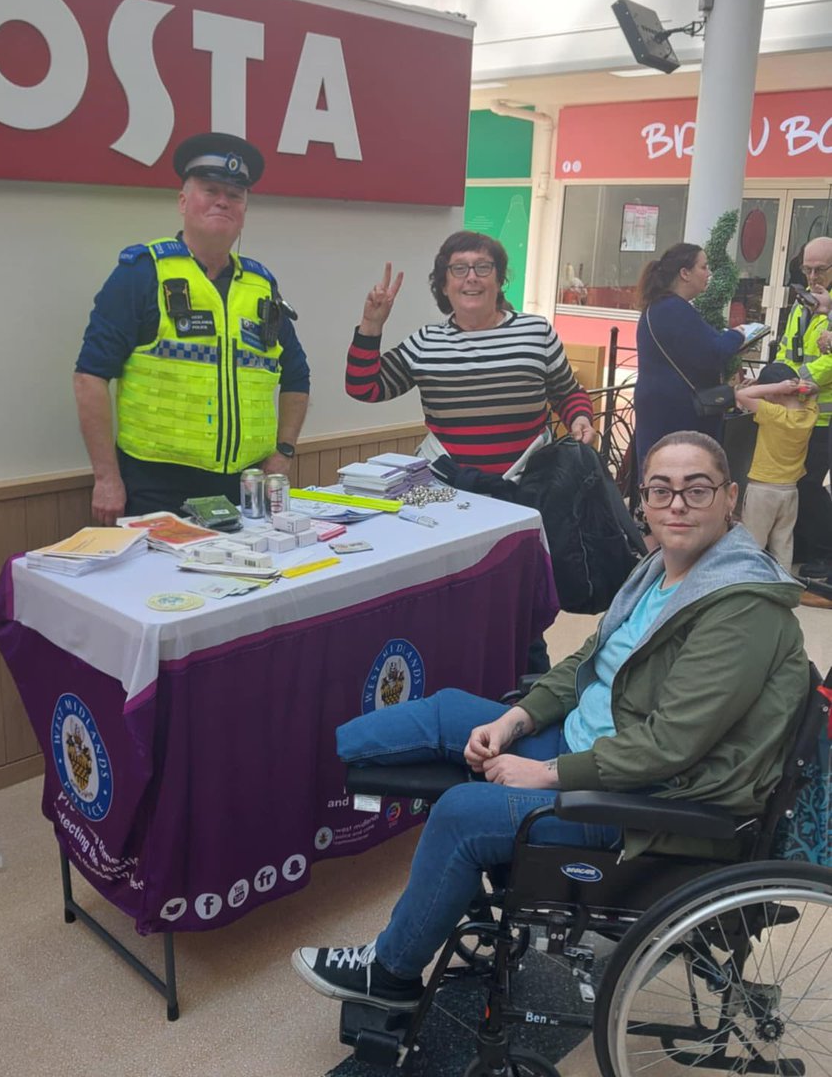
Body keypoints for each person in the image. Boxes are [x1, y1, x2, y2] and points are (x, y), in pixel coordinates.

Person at [292, 431, 808, 1011]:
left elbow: (671, 746)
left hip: (649, 799)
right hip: (592, 745)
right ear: (642, 498)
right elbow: (587, 666)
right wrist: (515, 720)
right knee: (446, 712)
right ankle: (298, 768)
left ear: (730, 497)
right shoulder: (663, 573)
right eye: (660, 490)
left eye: (696, 489)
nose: (677, 505)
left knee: (461, 815)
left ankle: (390, 975)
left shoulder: (739, 607)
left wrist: (548, 773)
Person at [74, 132, 310, 524]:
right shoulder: (143, 274)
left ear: (245, 209)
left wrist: (284, 452)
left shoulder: (261, 286)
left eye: (235, 194)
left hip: (246, 486)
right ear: (183, 201)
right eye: (210, 189)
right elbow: (90, 376)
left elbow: (297, 377)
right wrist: (106, 478)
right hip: (156, 486)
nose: (223, 200)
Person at [345, 231, 596, 475]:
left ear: (499, 281)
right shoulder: (425, 342)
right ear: (444, 285)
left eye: (483, 267)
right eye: (459, 269)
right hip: (448, 486)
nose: (472, 277)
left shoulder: (536, 332)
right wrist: (371, 325)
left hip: (531, 484)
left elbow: (568, 394)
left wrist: (579, 418)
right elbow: (364, 388)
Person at [634, 243, 746, 479]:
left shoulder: (664, 307)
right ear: (685, 273)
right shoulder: (673, 309)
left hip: (664, 409)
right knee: (679, 479)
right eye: (703, 267)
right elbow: (712, 352)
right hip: (677, 413)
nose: (708, 273)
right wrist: (738, 335)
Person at [774, 237, 832, 576]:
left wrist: (797, 380)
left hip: (825, 416)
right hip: (798, 411)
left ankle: (826, 552)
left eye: (820, 269)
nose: (812, 276)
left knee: (810, 485)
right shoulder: (802, 303)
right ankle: (808, 545)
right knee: (797, 483)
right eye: (806, 269)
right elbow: (788, 348)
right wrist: (777, 377)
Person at [734, 363, 819, 573]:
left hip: (762, 490)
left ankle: (747, 580)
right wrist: (789, 388)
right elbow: (814, 391)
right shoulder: (809, 413)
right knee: (783, 541)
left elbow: (742, 395)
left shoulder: (773, 414)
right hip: (790, 490)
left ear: (776, 393)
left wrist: (773, 387)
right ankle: (783, 580)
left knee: (753, 541)